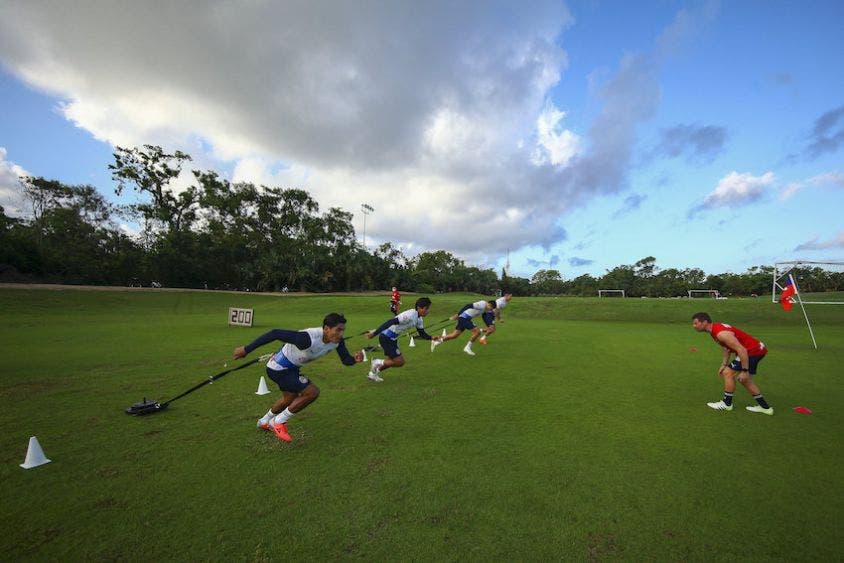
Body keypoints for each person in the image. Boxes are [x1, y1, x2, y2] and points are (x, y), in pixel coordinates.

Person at [233, 312, 364, 442]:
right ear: (326, 328)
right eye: (338, 330)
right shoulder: (307, 338)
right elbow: (275, 333)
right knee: (312, 392)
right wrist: (246, 349)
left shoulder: (337, 342)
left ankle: (263, 421)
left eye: (343, 330)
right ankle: (278, 422)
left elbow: (346, 360)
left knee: (289, 399)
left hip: (292, 369)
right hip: (278, 368)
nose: (341, 334)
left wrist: (355, 359)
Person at [691, 312, 774, 415]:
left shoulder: (721, 333)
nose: (693, 326)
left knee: (728, 373)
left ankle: (726, 404)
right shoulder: (715, 329)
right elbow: (726, 348)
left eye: (695, 323)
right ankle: (765, 408)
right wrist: (724, 363)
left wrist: (744, 370)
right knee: (744, 380)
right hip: (757, 349)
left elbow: (742, 350)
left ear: (704, 322)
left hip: (752, 351)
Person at [366, 297, 441, 382]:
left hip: (392, 339)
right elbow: (390, 322)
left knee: (392, 360)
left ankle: (373, 373)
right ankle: (376, 362)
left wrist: (431, 337)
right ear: (419, 308)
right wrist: (374, 333)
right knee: (399, 362)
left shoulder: (419, 319)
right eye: (426, 308)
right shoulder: (409, 315)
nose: (428, 311)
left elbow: (422, 333)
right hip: (386, 337)